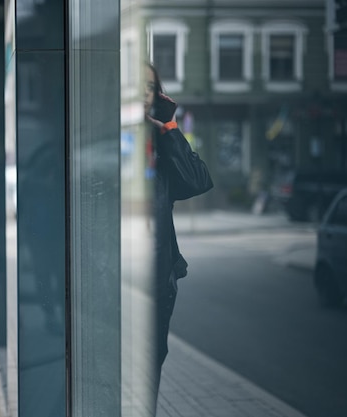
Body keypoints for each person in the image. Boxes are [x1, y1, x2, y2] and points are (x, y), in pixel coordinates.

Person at [143, 63, 213, 392]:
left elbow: (197, 180)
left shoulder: (162, 142)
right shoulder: (103, 139)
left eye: (148, 87)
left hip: (157, 281)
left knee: (149, 366)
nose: (142, 94)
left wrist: (170, 127)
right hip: (113, 279)